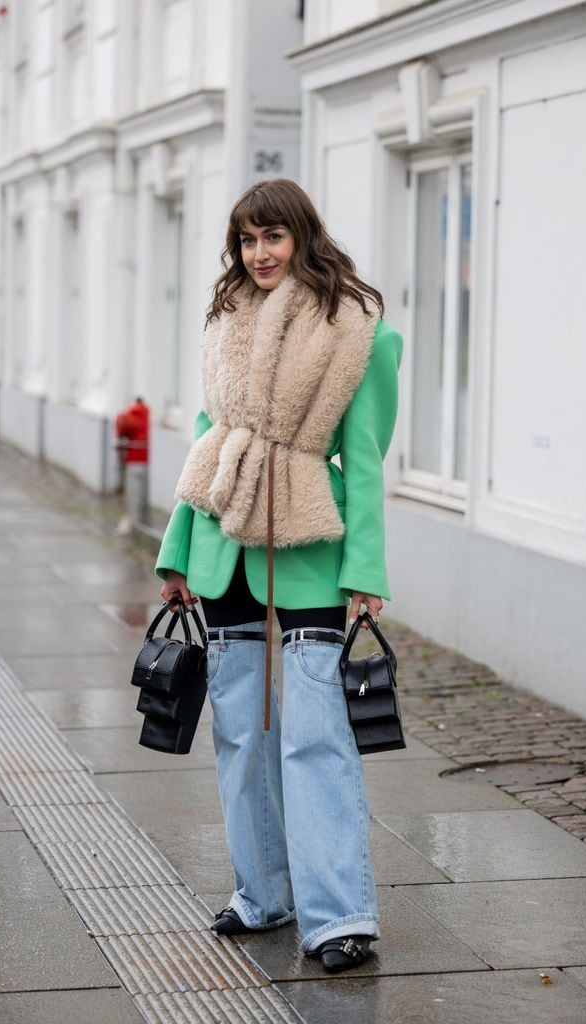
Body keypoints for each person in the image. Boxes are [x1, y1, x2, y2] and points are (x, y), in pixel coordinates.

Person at [155, 178, 403, 973]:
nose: (258, 255)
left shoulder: (360, 331)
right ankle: (262, 895)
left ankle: (338, 918)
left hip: (308, 555)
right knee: (241, 741)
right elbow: (208, 438)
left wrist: (365, 569)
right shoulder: (226, 319)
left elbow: (362, 464)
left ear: (303, 236)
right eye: (247, 241)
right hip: (224, 550)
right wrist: (175, 551)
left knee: (315, 743)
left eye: (272, 238)